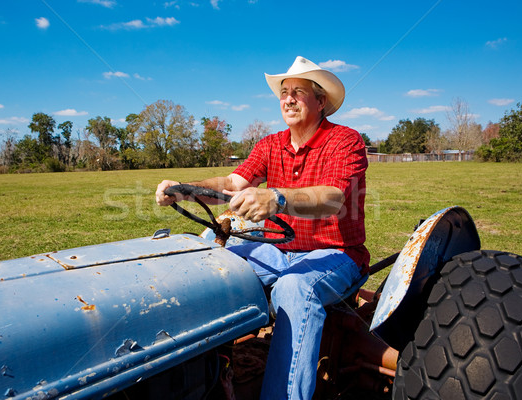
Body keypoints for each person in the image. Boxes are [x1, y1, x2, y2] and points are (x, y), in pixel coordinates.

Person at [156, 56, 370, 399]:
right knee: (209, 265)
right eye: (284, 92)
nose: (288, 99)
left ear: (321, 101)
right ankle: (208, 376)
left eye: (298, 92)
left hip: (337, 255)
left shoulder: (345, 141)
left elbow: (334, 198)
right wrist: (185, 187)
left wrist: (278, 198)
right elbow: (231, 181)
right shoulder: (271, 145)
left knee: (293, 289)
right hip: (280, 250)